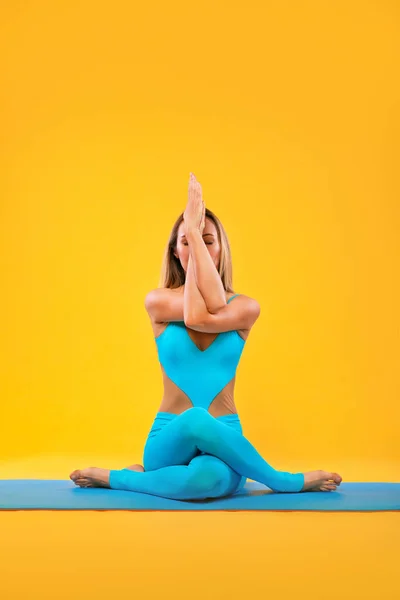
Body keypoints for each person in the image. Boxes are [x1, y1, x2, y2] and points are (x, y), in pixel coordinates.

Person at [70, 172, 342, 498]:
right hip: (169, 435)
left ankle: (136, 479)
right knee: (196, 418)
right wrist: (198, 237)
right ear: (174, 251)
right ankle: (285, 481)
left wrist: (193, 233)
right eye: (186, 241)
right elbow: (195, 315)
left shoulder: (245, 307)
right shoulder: (158, 301)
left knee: (206, 483)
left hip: (225, 436)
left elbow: (207, 309)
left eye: (207, 240)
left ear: (221, 248)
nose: (197, 247)